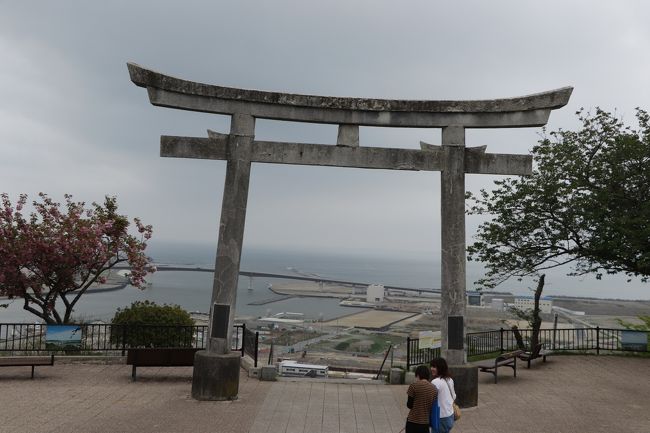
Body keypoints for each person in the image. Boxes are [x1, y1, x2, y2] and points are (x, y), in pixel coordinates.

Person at [405, 365, 437, 433]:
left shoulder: (413, 386)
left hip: (412, 421)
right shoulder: (434, 388)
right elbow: (432, 406)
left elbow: (409, 405)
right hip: (425, 423)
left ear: (418, 375)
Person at [430, 358, 456, 433]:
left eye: (434, 367)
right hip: (450, 416)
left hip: (440, 418)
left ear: (440, 368)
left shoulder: (435, 382)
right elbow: (454, 396)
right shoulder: (450, 380)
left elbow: (430, 399)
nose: (432, 369)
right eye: (431, 366)